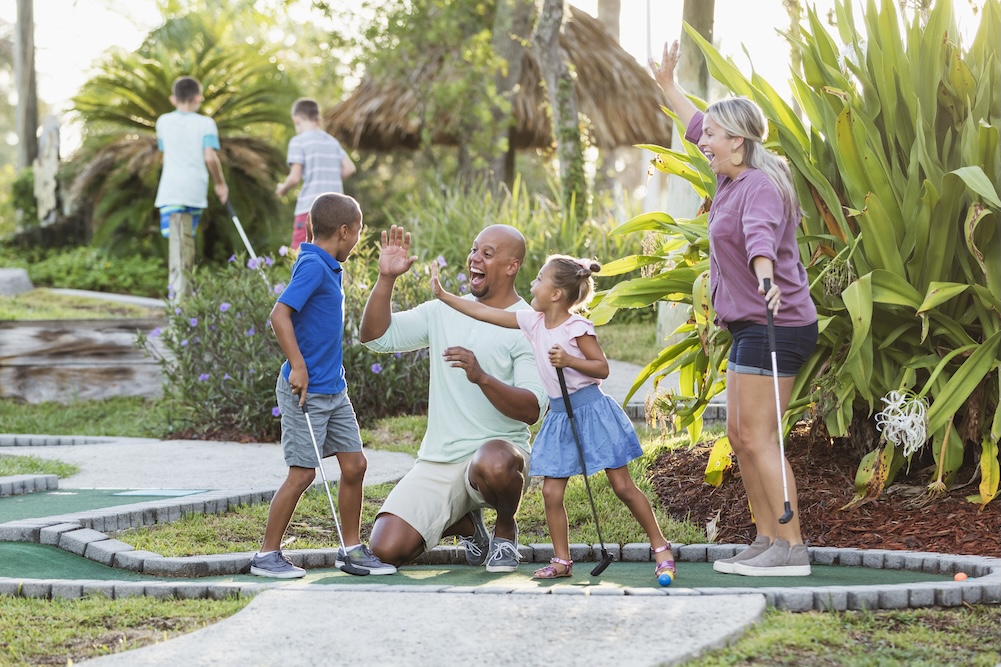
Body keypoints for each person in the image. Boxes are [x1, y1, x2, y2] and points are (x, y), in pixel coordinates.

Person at [650, 40, 819, 576]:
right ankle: (766, 537)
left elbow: (760, 240)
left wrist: (767, 280)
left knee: (760, 435)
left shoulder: (761, 187)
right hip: (751, 325)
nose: (706, 142)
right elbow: (696, 122)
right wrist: (667, 84)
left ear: (740, 142)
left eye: (717, 137)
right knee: (741, 436)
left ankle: (792, 549)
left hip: (778, 321)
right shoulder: (731, 174)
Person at [430, 256, 677, 582]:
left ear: (557, 293)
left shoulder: (577, 327)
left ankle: (661, 548)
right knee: (551, 493)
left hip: (591, 411)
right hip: (561, 416)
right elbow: (488, 313)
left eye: (540, 279)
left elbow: (601, 368)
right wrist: (444, 295)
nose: (533, 284)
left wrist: (570, 359)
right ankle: (562, 560)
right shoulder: (533, 322)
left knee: (622, 486)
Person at [360, 224, 547, 572]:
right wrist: (386, 279)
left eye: (487, 254)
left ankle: (505, 532)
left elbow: (531, 409)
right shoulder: (441, 310)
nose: (474, 258)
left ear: (512, 266)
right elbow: (374, 337)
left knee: (493, 461)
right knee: (385, 549)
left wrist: (482, 377)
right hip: (438, 461)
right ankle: (467, 525)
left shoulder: (528, 325)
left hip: (499, 458)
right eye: (474, 250)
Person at [250, 193, 395, 578]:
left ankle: (350, 549)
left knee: (355, 464)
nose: (357, 241)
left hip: (334, 389)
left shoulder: (327, 264)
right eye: (358, 234)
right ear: (344, 231)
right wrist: (297, 365)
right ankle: (266, 556)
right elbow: (279, 315)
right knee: (302, 474)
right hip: (306, 391)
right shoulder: (314, 265)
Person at [276, 98, 357, 250]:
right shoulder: (332, 141)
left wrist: (282, 189)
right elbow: (349, 168)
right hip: (336, 210)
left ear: (297, 120)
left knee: (300, 254)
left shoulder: (298, 141)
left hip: (310, 208)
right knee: (333, 256)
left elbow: (294, 178)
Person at [154, 76, 228, 238]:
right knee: (186, 240)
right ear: (198, 98)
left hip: (170, 191)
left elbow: (164, 154)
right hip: (195, 191)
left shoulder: (162, 122)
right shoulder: (206, 123)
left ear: (173, 99)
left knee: (175, 240)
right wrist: (220, 184)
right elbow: (210, 157)